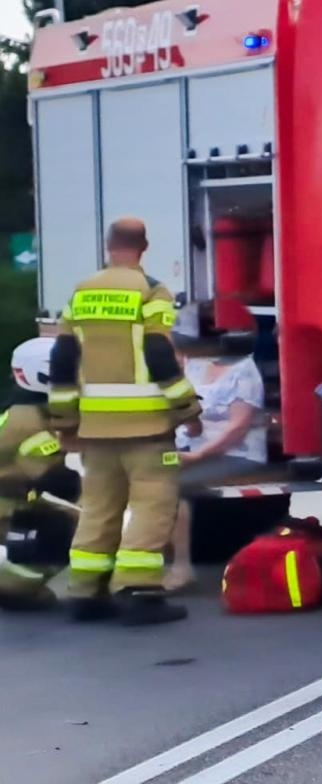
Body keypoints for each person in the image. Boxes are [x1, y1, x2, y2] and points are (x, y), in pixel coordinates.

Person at [49, 218, 200, 625]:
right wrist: (187, 410)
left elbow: (62, 360)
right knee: (153, 506)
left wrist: (64, 422)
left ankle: (85, 592)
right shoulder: (151, 291)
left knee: (98, 507)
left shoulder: (81, 292)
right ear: (143, 247)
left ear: (107, 245)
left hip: (95, 430)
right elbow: (159, 354)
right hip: (147, 429)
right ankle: (139, 592)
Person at [165, 334, 268, 593]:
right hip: (191, 449)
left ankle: (182, 568)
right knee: (147, 473)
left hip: (237, 454)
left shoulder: (245, 370)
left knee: (174, 485)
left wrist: (197, 457)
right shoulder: (196, 366)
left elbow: (238, 428)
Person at [0, 338, 79, 611]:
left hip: (13, 500)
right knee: (88, 524)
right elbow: (57, 481)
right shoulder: (30, 423)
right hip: (9, 506)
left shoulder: (22, 409)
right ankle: (13, 586)